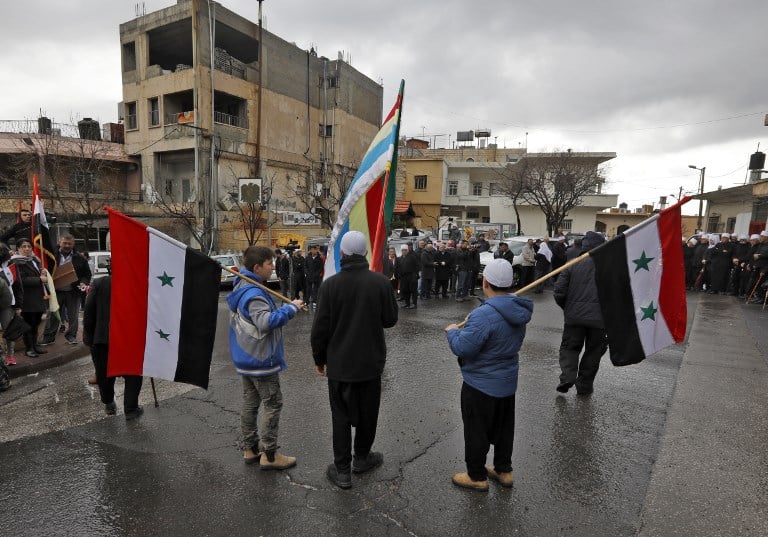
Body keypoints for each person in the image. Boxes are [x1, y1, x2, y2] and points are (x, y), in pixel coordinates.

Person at [311, 231, 399, 489]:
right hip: (370, 362)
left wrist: (319, 359)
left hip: (340, 365)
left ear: (342, 253)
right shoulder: (380, 282)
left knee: (340, 416)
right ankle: (361, 457)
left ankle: (342, 470)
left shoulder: (330, 285)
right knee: (368, 413)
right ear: (365, 253)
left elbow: (320, 329)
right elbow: (390, 320)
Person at [444, 259, 533, 491]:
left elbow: (463, 348)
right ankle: (504, 470)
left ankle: (476, 476)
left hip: (480, 384)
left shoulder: (482, 315)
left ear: (485, 282)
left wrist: (452, 332)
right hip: (507, 382)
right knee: (504, 429)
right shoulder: (517, 310)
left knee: (476, 430)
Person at [227, 245, 304, 469]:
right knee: (273, 403)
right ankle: (269, 455)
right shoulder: (253, 293)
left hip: (247, 358)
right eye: (269, 264)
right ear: (256, 267)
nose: (273, 267)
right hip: (261, 359)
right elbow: (265, 322)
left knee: (250, 403)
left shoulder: (242, 285)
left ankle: (250, 449)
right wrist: (290, 309)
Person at [83, 265, 144, 419]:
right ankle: (131, 409)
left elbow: (88, 311)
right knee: (133, 373)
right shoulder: (138, 284)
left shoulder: (99, 283)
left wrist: (89, 336)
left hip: (103, 339)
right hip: (130, 339)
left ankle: (109, 402)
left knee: (104, 374)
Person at [553, 231, 607, 395]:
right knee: (594, 352)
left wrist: (568, 308)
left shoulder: (572, 264)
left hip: (574, 318)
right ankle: (584, 385)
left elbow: (559, 292)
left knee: (570, 348)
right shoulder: (609, 267)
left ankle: (567, 377)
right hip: (600, 321)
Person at [41, 234, 92, 345]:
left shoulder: (80, 258)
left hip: (73, 292)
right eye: (65, 243)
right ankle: (49, 337)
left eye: (69, 243)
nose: (67, 245)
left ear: (73, 244)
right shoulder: (51, 255)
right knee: (53, 314)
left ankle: (71, 336)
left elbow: (87, 274)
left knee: (73, 316)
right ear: (59, 242)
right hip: (56, 291)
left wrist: (84, 282)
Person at [11, 238, 49, 357]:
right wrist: (39, 279)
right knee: (28, 325)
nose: (27, 249)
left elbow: (37, 274)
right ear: (18, 248)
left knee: (36, 323)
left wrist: (42, 273)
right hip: (26, 299)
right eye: (24, 246)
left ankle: (35, 345)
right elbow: (21, 280)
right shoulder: (17, 262)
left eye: (29, 246)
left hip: (37, 297)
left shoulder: (34, 260)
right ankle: (29, 348)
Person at [0, 243, 23, 365]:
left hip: (7, 304)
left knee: (9, 329)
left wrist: (18, 305)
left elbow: (18, 286)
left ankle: (10, 355)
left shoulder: (11, 266)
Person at [395, 244, 419, 309]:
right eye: (403, 250)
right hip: (403, 277)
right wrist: (398, 275)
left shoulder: (412, 257)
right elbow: (396, 268)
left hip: (412, 276)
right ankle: (407, 303)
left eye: (405, 250)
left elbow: (417, 265)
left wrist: (415, 274)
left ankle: (414, 304)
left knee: (413, 290)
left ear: (407, 250)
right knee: (405, 290)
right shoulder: (399, 259)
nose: (404, 251)